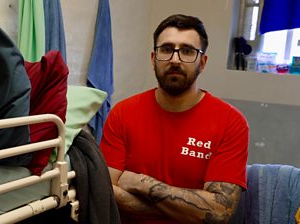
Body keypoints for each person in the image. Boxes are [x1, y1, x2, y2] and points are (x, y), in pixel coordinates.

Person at [100, 14, 249, 224]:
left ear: (203, 62)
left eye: (187, 51)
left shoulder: (231, 121)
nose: (175, 59)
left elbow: (218, 212)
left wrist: (141, 182)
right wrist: (188, 210)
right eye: (166, 49)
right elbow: (105, 193)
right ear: (154, 59)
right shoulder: (122, 113)